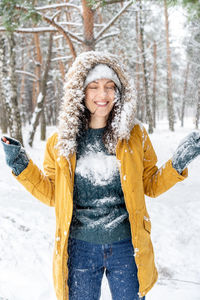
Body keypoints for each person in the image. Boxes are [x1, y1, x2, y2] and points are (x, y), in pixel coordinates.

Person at [1, 51, 200, 300]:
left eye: (109, 86)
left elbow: (150, 184)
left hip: (127, 246)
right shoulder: (60, 142)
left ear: (119, 91)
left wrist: (177, 164)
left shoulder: (135, 135)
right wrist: (21, 166)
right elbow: (53, 194)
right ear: (80, 92)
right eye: (93, 87)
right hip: (80, 247)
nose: (102, 95)